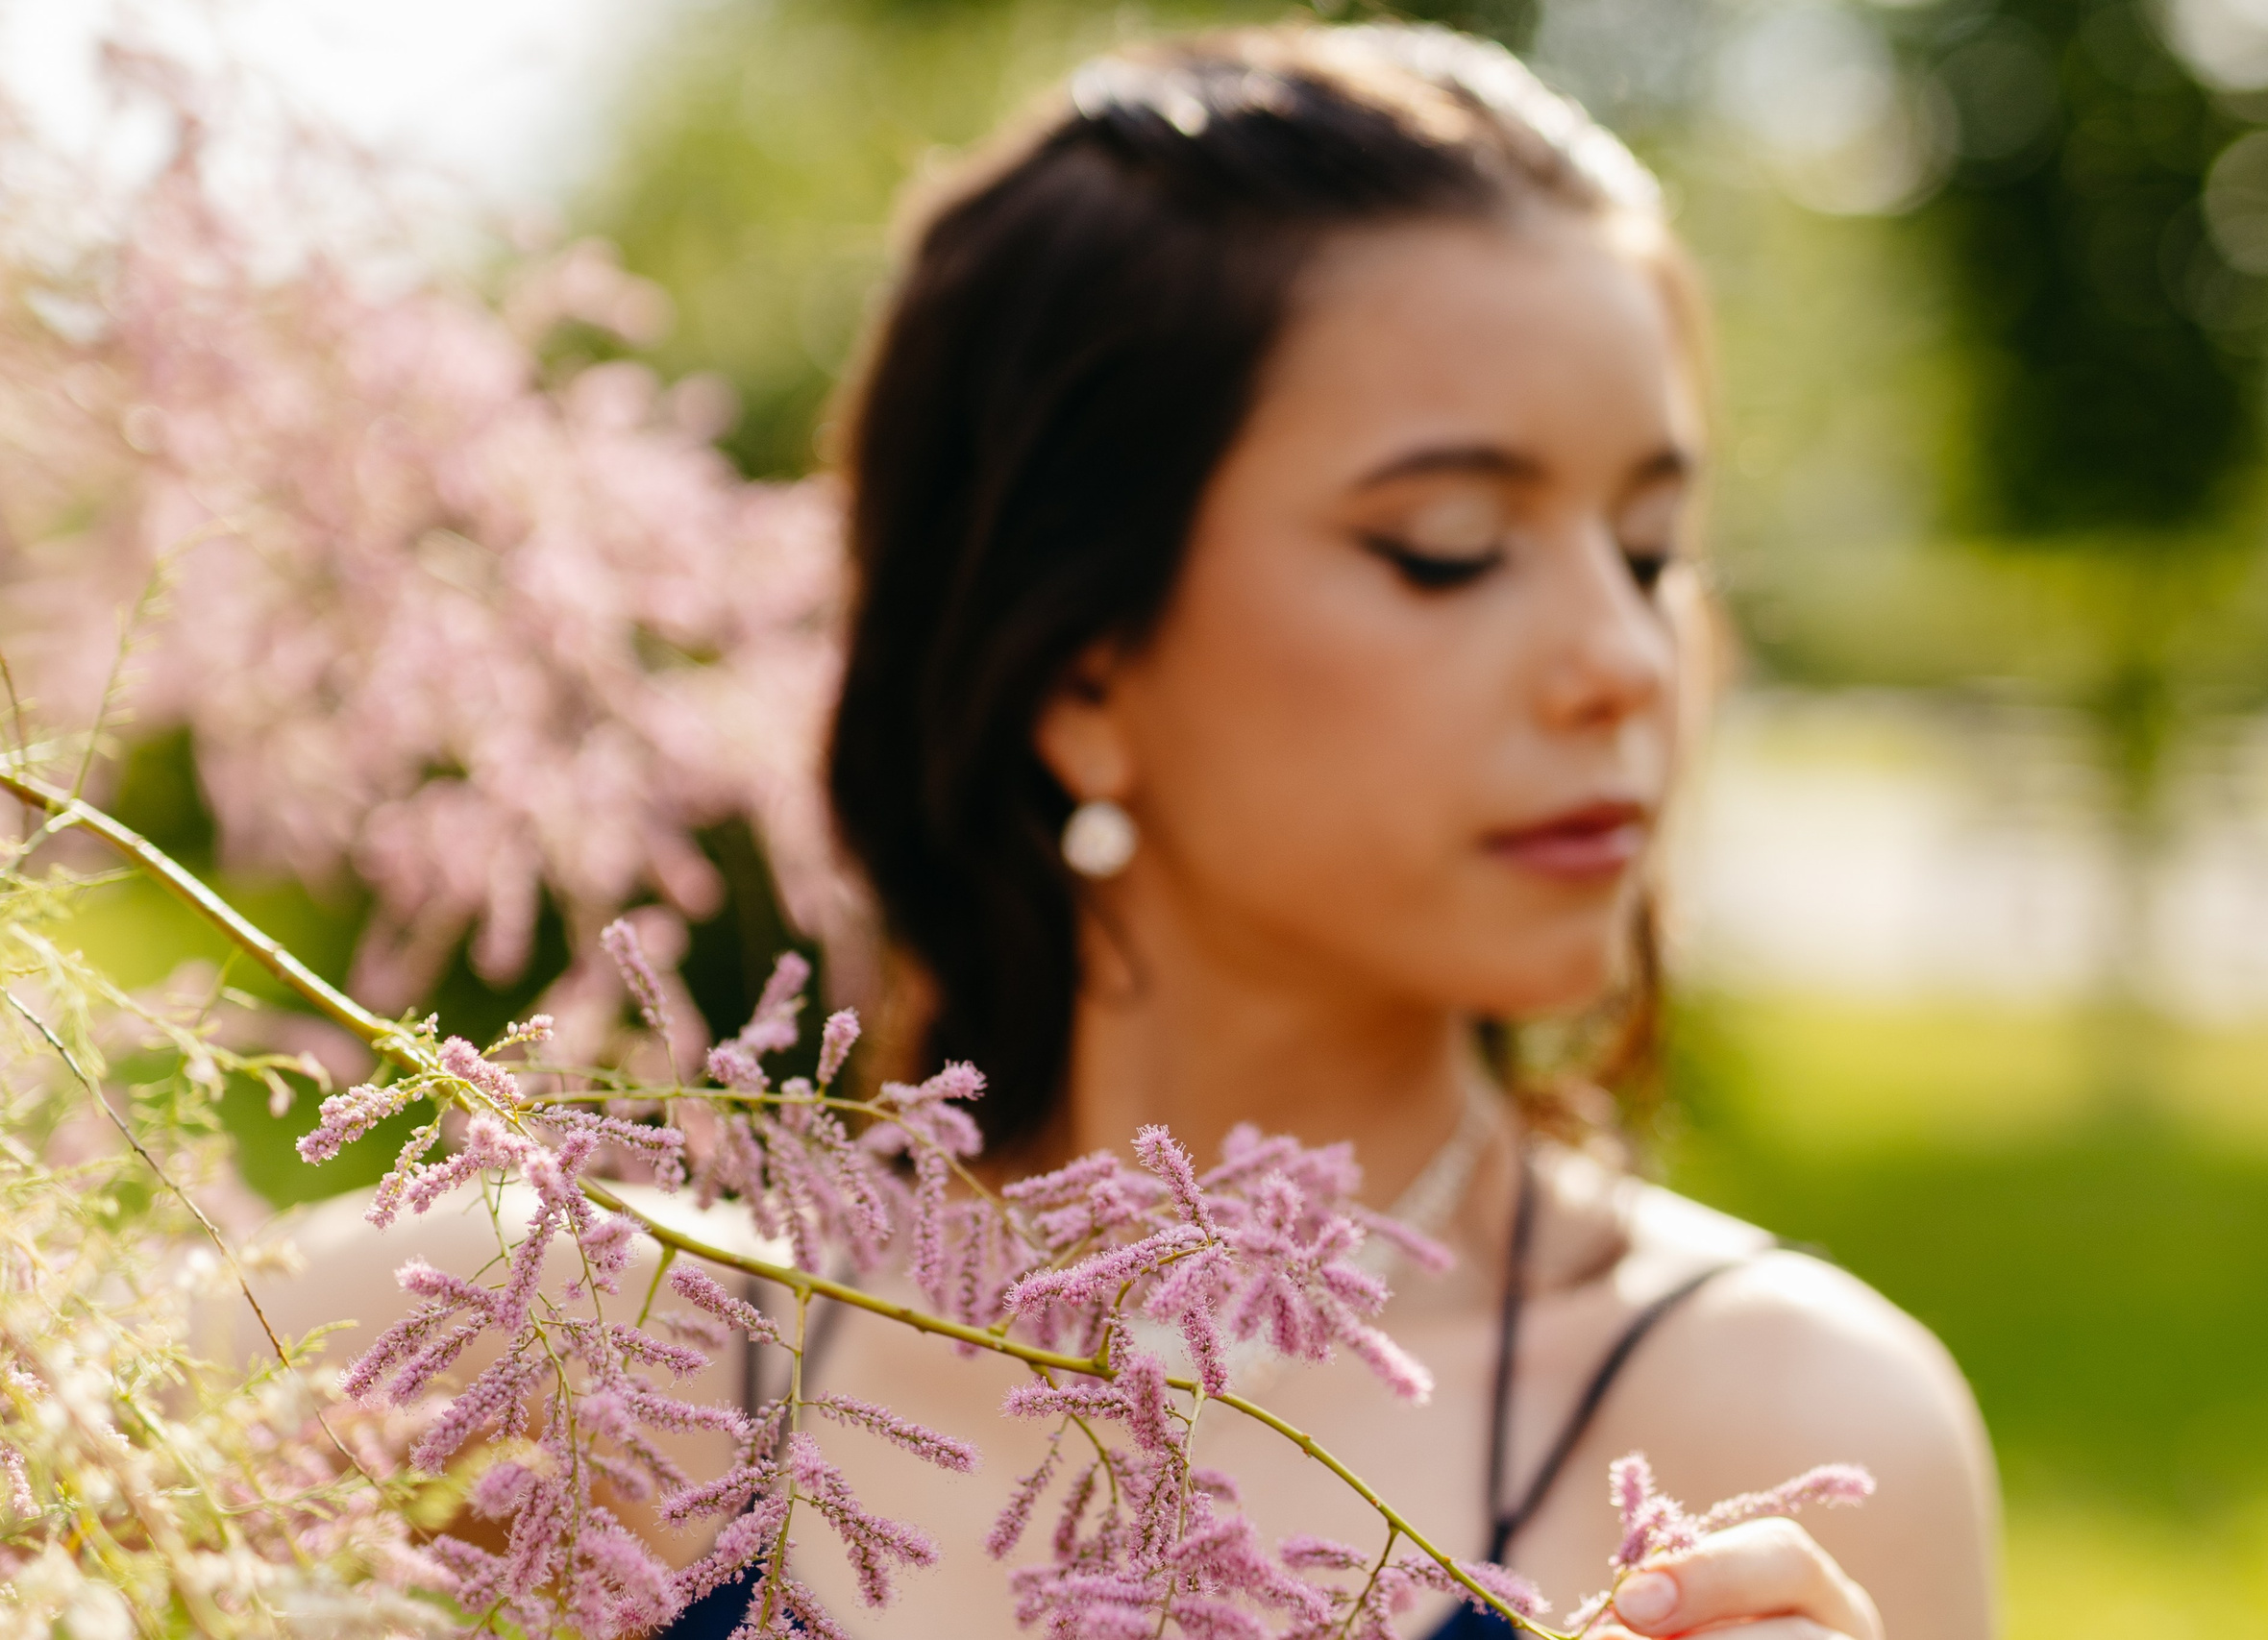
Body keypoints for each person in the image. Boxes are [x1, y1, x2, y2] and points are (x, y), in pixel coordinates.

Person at [731, 21, 2000, 1640]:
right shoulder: (572, 1360)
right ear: (1079, 670)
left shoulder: (1789, 1441)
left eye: (1652, 550)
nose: (1623, 661)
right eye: (1448, 549)